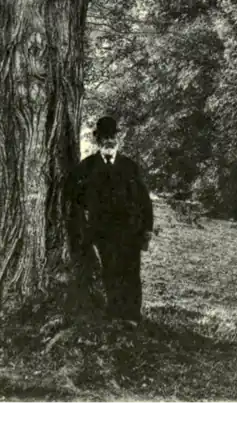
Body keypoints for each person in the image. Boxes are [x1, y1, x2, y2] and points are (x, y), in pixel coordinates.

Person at [65, 115, 154, 324]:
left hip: (131, 231)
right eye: (104, 136)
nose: (109, 140)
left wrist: (147, 229)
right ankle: (115, 314)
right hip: (103, 231)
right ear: (97, 139)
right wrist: (89, 213)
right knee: (111, 271)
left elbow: (144, 200)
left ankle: (132, 316)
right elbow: (73, 194)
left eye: (112, 136)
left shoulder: (130, 166)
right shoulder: (86, 167)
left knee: (131, 272)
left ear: (118, 137)